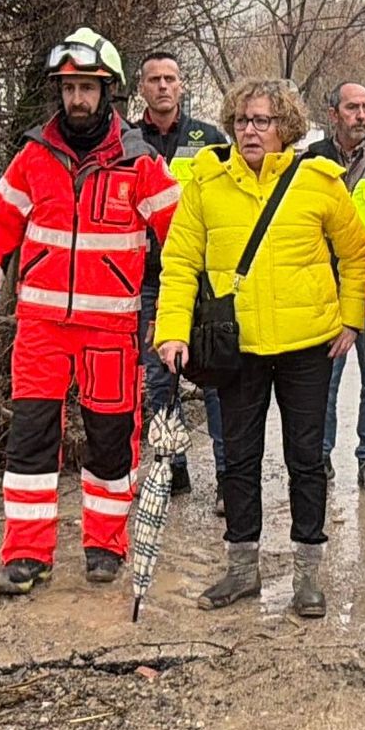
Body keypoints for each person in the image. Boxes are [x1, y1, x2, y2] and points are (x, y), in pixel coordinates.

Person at [0, 27, 181, 595]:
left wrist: (178, 312)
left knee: (111, 439)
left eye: (86, 87)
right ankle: (25, 554)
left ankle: (105, 546)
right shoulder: (33, 157)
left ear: (108, 91)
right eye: (68, 88)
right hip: (40, 329)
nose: (76, 99)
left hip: (111, 330)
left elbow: (181, 241)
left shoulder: (140, 162)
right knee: (30, 440)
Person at [156, 78, 365, 618]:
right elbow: (179, 263)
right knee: (239, 459)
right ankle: (242, 569)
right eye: (242, 120)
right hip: (237, 348)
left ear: (286, 127)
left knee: (307, 458)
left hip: (308, 347)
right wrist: (173, 330)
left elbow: (356, 253)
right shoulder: (206, 183)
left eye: (263, 121)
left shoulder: (319, 180)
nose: (250, 130)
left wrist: (350, 320)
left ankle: (307, 575)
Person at [134, 51, 228, 503]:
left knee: (215, 379)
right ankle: (172, 467)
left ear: (182, 85)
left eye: (170, 78)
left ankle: (228, 476)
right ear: (142, 88)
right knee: (159, 378)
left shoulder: (209, 140)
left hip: (203, 277)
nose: (163, 86)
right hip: (148, 277)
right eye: (154, 79)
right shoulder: (127, 140)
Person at [305, 80, 365, 491]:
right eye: (352, 107)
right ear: (333, 114)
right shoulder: (311, 161)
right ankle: (320, 457)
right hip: (326, 289)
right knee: (323, 380)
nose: (361, 115)